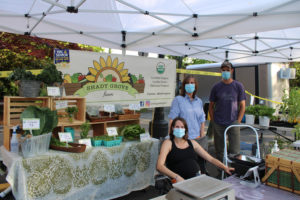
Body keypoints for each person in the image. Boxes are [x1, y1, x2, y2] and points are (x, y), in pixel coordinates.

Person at [156, 117, 234, 182]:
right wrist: (176, 177)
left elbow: (210, 158)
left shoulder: (192, 143)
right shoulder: (168, 143)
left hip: (197, 178)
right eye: (177, 127)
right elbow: (159, 166)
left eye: (182, 127)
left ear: (185, 130)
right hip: (179, 181)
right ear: (172, 128)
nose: (180, 129)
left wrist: (224, 167)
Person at [168, 75, 207, 173]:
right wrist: (171, 137)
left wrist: (202, 136)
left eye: (192, 83)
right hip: (185, 140)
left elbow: (202, 120)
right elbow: (172, 119)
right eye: (187, 83)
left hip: (198, 139)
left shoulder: (199, 101)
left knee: (201, 166)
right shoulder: (178, 100)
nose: (190, 85)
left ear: (195, 86)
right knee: (189, 167)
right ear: (184, 86)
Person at [208, 61, 246, 162]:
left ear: (232, 71)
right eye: (223, 70)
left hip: (233, 122)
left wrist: (238, 121)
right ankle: (221, 170)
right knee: (219, 150)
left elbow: (242, 106)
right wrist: (213, 120)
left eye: (227, 70)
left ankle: (234, 170)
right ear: (221, 71)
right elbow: (210, 106)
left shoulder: (238, 86)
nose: (225, 72)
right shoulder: (216, 87)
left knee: (235, 150)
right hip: (218, 122)